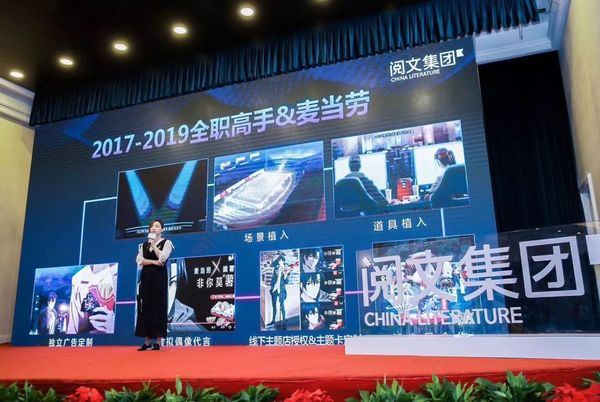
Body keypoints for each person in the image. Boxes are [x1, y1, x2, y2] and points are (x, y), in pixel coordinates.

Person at [135, 218, 173, 350]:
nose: (153, 228)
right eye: (152, 226)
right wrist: (153, 262)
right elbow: (139, 260)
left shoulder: (167, 242)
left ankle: (158, 341)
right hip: (146, 277)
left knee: (158, 306)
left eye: (156, 226)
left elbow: (162, 258)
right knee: (145, 307)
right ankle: (146, 342)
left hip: (159, 278)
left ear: (162, 229)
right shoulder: (144, 244)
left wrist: (154, 245)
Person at [67, 264, 118, 335]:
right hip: (89, 339)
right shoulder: (78, 277)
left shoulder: (123, 271)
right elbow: (73, 327)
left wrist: (115, 326)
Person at [267, 254, 290, 329]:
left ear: (284, 261)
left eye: (281, 260)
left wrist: (285, 275)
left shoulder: (286, 269)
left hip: (281, 290)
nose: (280, 262)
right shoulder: (276, 267)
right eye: (279, 260)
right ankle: (273, 320)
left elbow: (286, 282)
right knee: (274, 305)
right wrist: (272, 287)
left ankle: (284, 322)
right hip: (274, 289)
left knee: (282, 306)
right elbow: (271, 265)